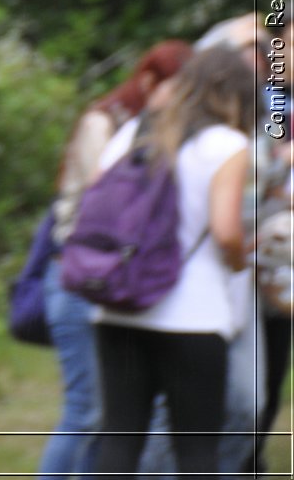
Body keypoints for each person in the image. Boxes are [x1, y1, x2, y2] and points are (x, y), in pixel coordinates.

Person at [89, 46, 258, 479]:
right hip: (193, 319)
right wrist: (241, 262)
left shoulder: (133, 134)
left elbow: (95, 202)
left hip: (118, 307)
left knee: (120, 443)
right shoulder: (227, 144)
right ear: (236, 96)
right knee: (196, 454)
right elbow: (225, 232)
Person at [38, 40, 192, 479]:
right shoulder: (103, 123)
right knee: (87, 411)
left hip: (117, 280)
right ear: (149, 81)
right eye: (177, 88)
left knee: (114, 419)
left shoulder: (157, 132)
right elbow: (104, 208)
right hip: (80, 275)